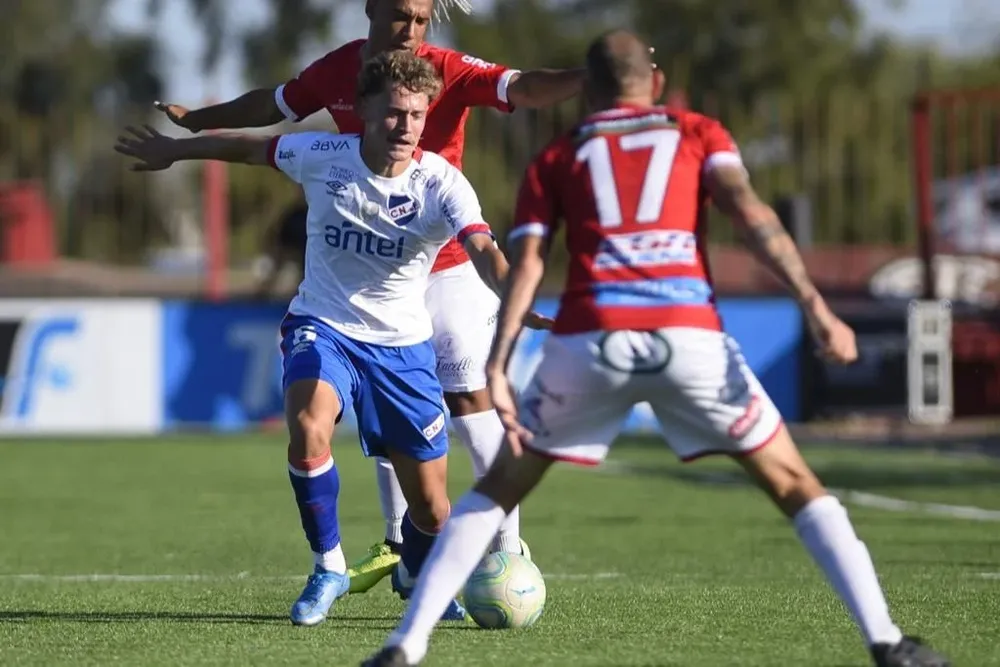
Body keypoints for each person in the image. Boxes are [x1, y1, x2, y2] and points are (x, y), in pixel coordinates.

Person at [360, 30, 951, 667]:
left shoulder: (559, 155)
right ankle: (887, 643)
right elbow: (751, 215)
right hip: (687, 332)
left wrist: (500, 360)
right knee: (796, 484)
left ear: (587, 91)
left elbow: (526, 262)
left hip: (592, 338)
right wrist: (815, 304)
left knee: (496, 490)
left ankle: (405, 646)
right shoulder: (698, 132)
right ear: (657, 84)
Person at [153, 0, 584, 596]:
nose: (411, 30)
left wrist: (591, 79)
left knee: (467, 400)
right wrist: (199, 121)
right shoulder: (338, 71)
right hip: (364, 276)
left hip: (450, 263)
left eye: (421, 18)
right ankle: (399, 545)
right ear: (371, 9)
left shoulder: (447, 69)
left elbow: (526, 88)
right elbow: (271, 110)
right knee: (378, 409)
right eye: (401, 16)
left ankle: (507, 549)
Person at [117, 50, 519, 627]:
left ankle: (415, 565)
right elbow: (248, 148)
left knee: (432, 510)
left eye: (416, 114)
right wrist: (175, 150)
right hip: (323, 325)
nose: (405, 126)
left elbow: (484, 251)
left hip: (403, 348)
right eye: (392, 113)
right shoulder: (321, 155)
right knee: (309, 426)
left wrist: (518, 297)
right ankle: (328, 564)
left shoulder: (443, 184)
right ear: (361, 110)